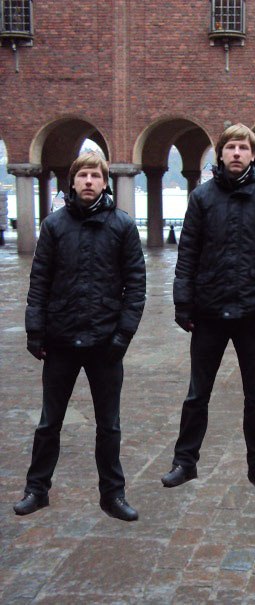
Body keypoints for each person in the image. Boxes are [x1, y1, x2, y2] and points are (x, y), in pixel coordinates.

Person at [161, 124, 255, 494]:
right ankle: (184, 462)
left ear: (253, 155)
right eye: (231, 147)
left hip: (253, 314)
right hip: (209, 311)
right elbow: (188, 252)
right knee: (197, 394)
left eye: (243, 148)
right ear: (220, 154)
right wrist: (182, 301)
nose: (237, 153)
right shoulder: (202, 198)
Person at [15, 152, 146, 521]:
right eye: (83, 175)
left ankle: (113, 495)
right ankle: (36, 489)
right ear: (72, 182)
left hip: (105, 342)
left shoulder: (122, 226)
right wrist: (34, 329)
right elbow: (39, 280)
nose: (89, 181)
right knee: (49, 422)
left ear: (105, 182)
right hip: (61, 339)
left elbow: (136, 285)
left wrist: (123, 334)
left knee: (109, 425)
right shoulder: (54, 226)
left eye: (96, 176)